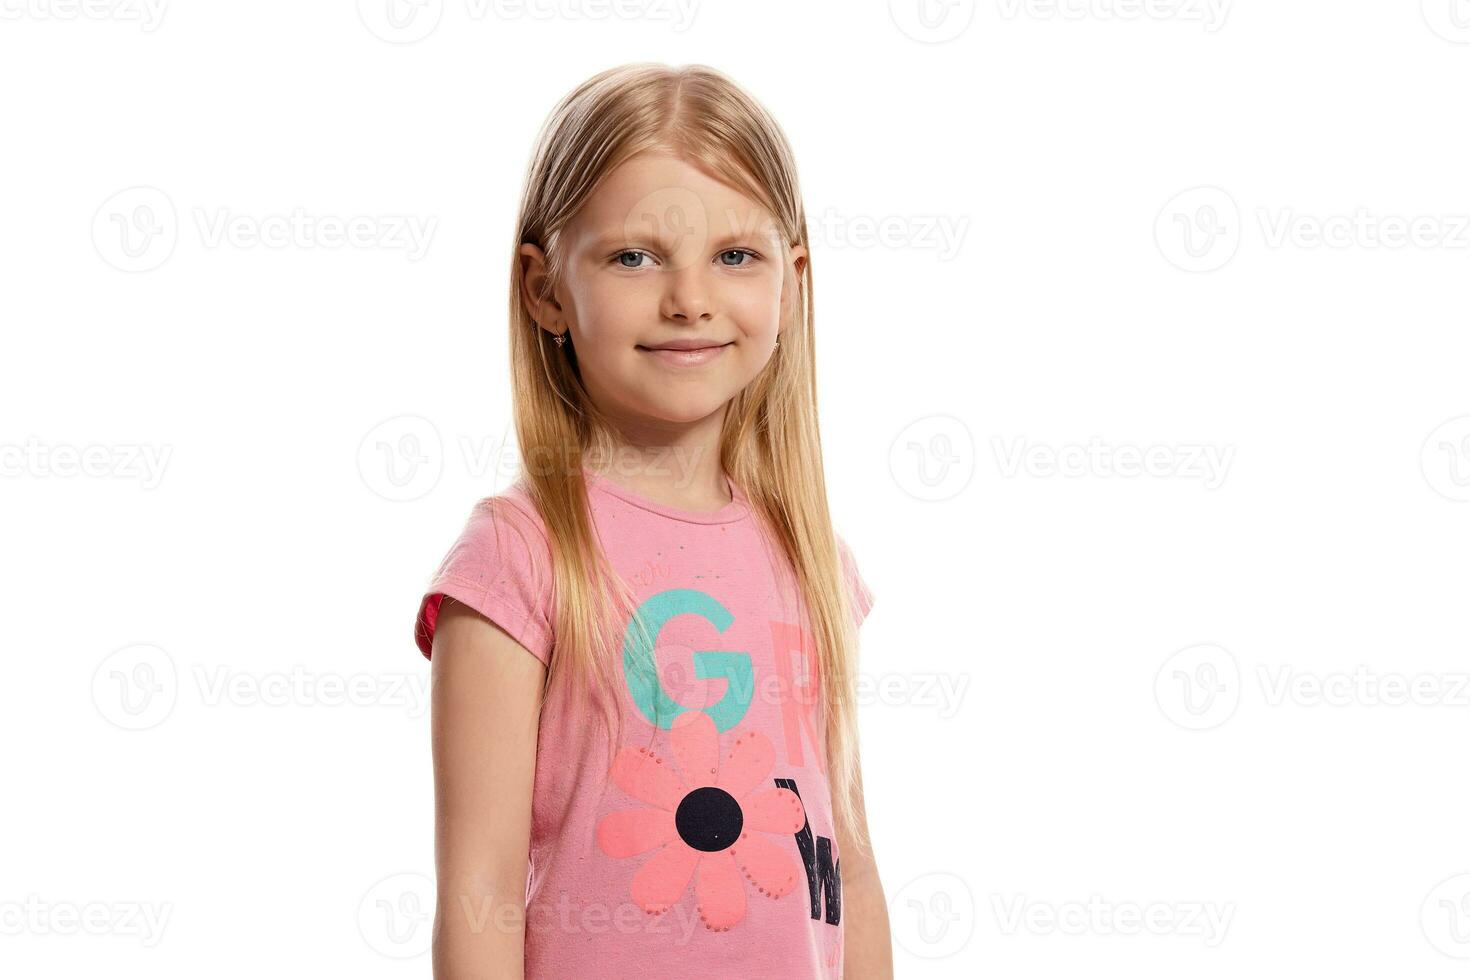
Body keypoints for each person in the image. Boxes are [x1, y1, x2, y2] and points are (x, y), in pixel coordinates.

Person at [412, 62, 892, 979]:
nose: (689, 298)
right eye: (634, 256)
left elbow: (850, 869)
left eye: (736, 256)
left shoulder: (814, 561)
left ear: (791, 284)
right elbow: (478, 887)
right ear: (546, 289)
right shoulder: (520, 555)